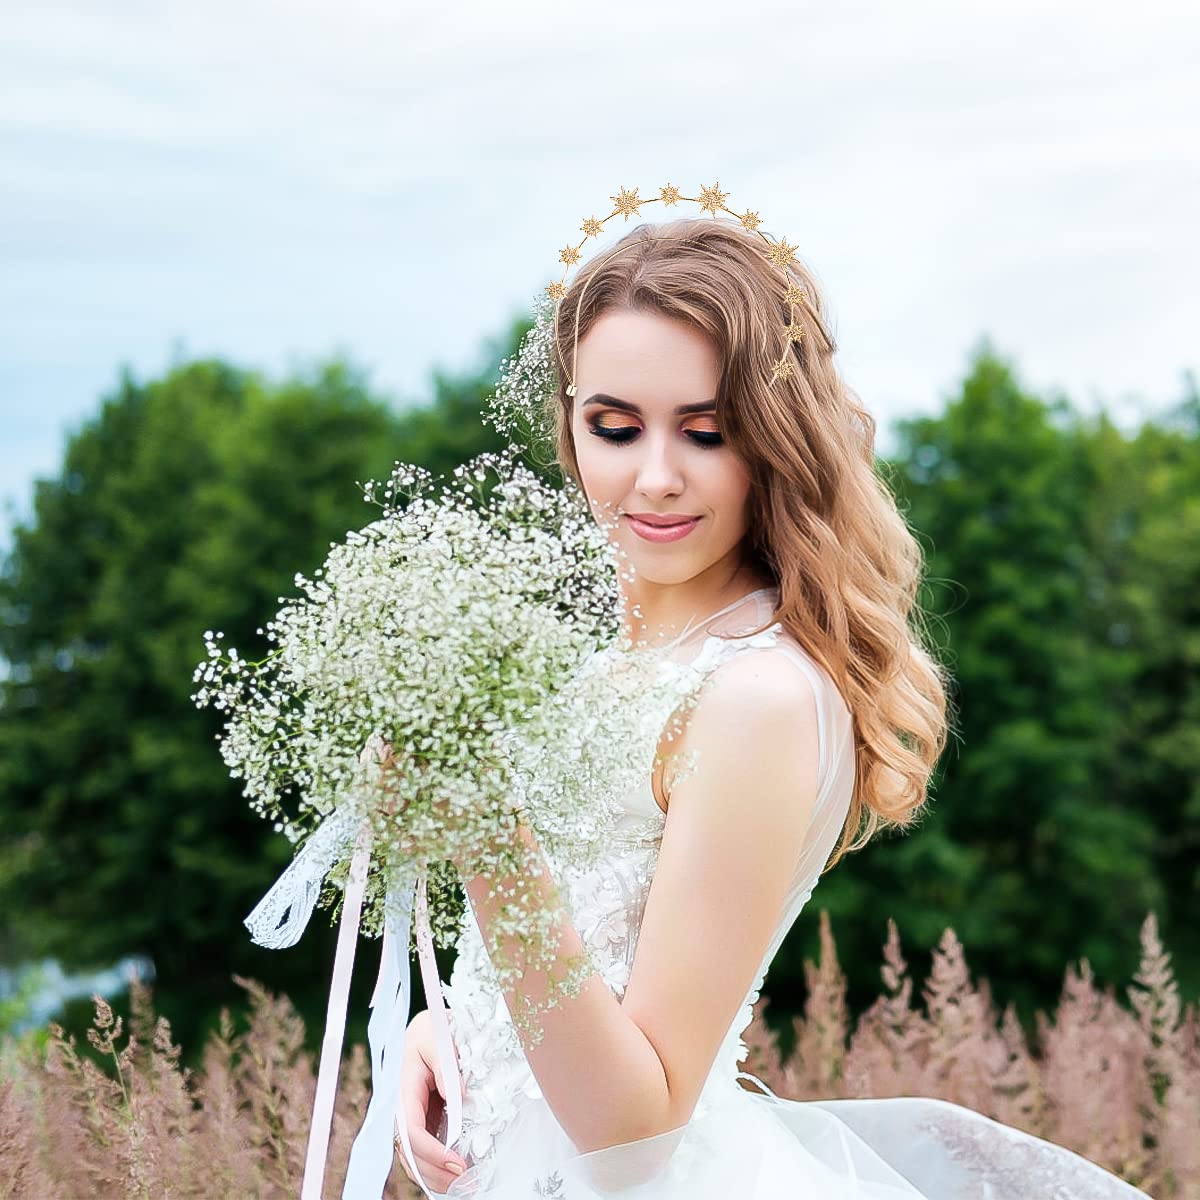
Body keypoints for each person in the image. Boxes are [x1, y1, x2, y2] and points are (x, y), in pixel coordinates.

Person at [394, 215, 1150, 1198]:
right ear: (569, 418)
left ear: (775, 439)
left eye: (706, 432)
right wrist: (446, 1027)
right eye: (614, 426)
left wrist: (488, 836)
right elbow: (576, 960)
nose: (655, 475)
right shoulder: (602, 672)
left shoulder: (757, 696)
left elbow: (634, 1131)